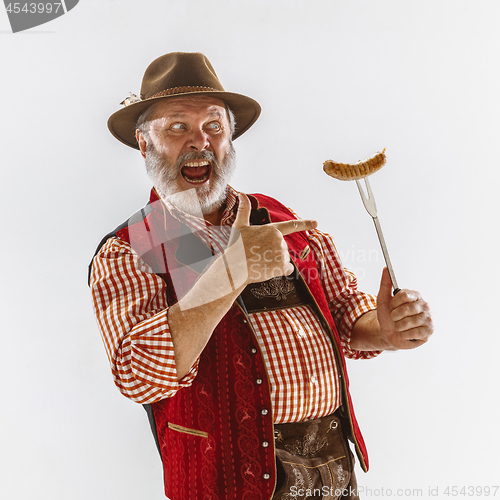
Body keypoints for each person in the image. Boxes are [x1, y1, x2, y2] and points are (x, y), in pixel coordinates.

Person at [89, 52, 433, 500]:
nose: (200, 141)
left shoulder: (277, 218)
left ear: (230, 137)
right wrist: (230, 272)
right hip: (227, 482)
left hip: (331, 470)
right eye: (177, 127)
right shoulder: (137, 244)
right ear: (144, 142)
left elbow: (345, 309)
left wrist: (383, 330)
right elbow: (138, 374)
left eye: (214, 126)